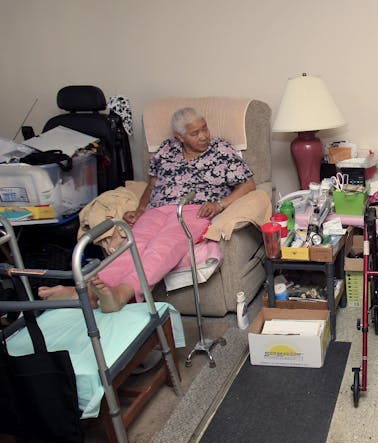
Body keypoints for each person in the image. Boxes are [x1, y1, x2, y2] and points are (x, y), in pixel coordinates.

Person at [39, 107, 256, 312]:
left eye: (205, 128)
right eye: (195, 133)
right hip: (156, 210)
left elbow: (248, 185)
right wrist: (141, 209)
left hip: (191, 209)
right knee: (133, 245)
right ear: (180, 137)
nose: (203, 136)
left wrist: (220, 204)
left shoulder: (221, 149)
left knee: (162, 246)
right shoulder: (166, 149)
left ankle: (122, 293)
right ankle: (87, 293)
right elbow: (152, 184)